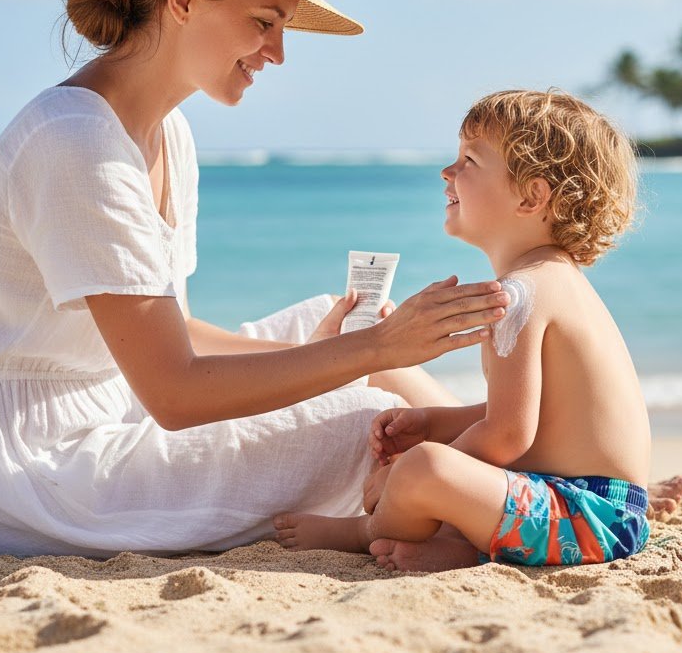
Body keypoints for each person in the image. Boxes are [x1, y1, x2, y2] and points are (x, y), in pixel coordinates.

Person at [0, 0, 509, 557]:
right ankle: (526, 494)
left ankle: (521, 477)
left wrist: (348, 352)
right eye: (264, 22)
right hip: (47, 476)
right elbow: (173, 392)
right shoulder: (76, 142)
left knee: (342, 331)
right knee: (371, 409)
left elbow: (168, 330)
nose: (279, 53)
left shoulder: (166, 133)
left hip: (117, 411)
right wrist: (370, 353)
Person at [274, 89, 655, 570]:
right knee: (441, 456)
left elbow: (506, 437)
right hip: (608, 514)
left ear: (532, 196)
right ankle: (457, 548)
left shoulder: (520, 294)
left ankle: (364, 529)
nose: (447, 173)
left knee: (427, 467)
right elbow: (543, 414)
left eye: (469, 160)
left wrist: (405, 474)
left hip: (582, 520)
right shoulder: (559, 279)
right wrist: (434, 421)